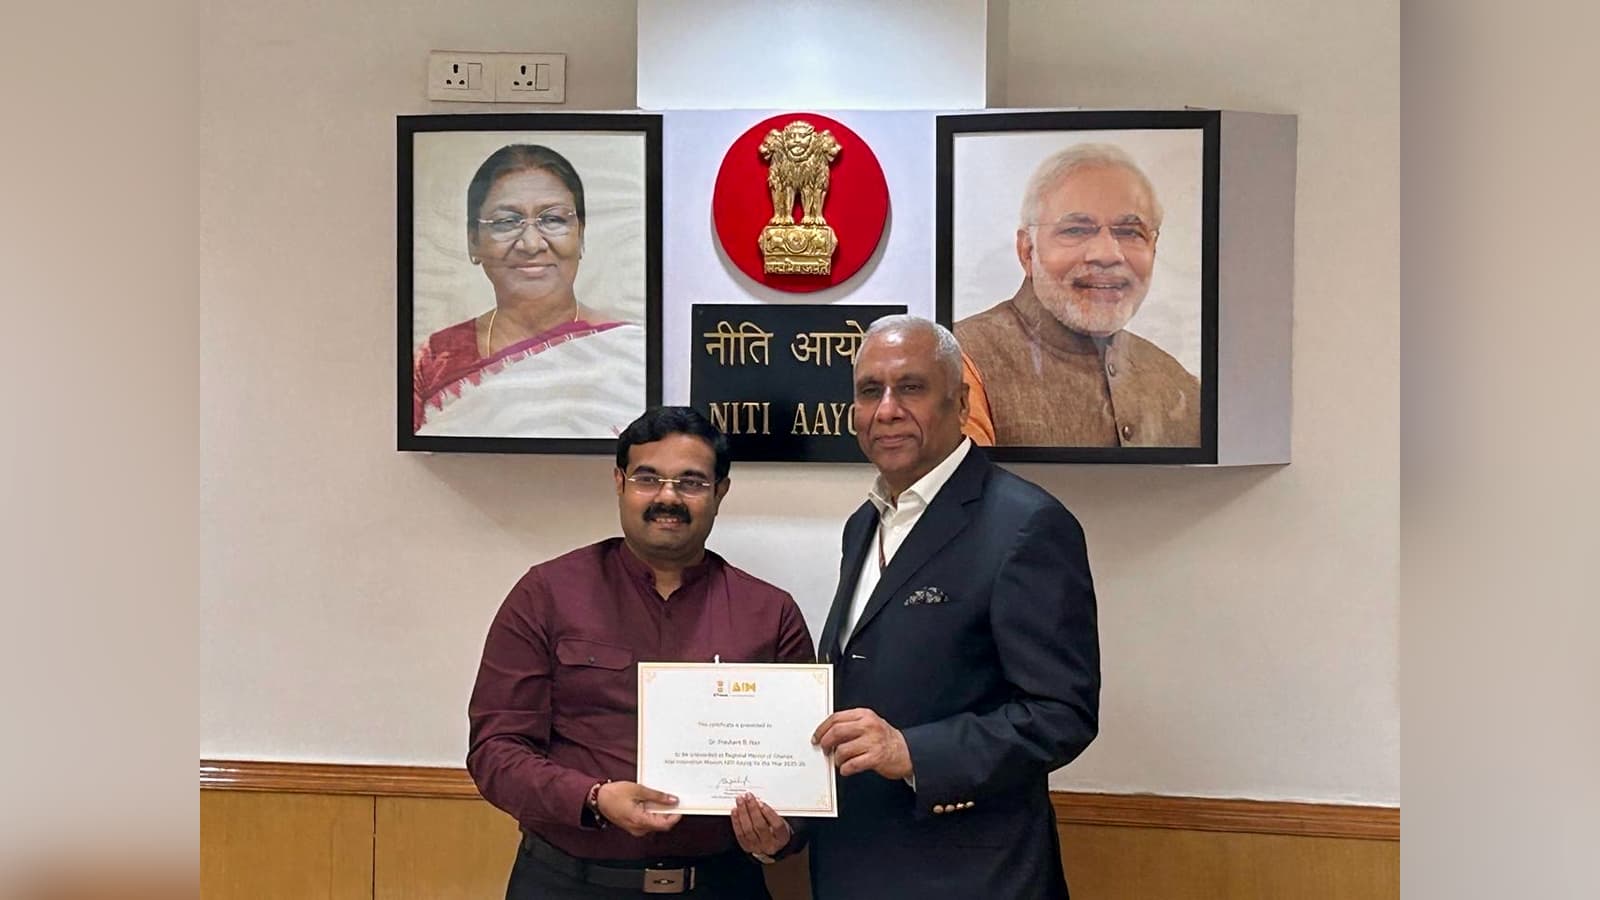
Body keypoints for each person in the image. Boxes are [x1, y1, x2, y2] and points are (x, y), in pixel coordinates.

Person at [806, 316, 1100, 900]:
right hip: (853, 865)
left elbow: (1062, 713)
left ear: (961, 403)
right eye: (870, 391)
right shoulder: (862, 524)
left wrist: (913, 751)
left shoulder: (1026, 526)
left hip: (975, 875)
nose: (886, 409)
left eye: (910, 387)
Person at [466, 407, 815, 898]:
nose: (668, 497)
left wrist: (781, 835)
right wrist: (592, 797)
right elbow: (495, 752)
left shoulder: (771, 613)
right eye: (648, 478)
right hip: (567, 882)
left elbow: (803, 768)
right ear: (619, 482)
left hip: (722, 884)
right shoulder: (546, 593)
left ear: (721, 491)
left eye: (691, 482)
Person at [955, 143, 1200, 447]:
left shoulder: (1180, 384)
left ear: (1154, 248)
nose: (1107, 254)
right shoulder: (961, 360)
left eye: (1129, 232)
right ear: (1027, 250)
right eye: (1076, 230)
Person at [414, 144, 646, 438]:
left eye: (553, 220)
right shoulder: (435, 360)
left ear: (581, 235)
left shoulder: (631, 353)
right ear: (473, 241)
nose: (532, 243)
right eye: (506, 222)